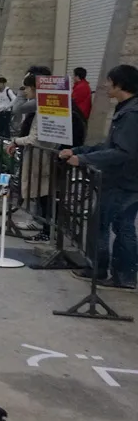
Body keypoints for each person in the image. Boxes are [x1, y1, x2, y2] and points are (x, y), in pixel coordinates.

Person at [60, 64, 138, 291]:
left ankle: (116, 273)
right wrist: (80, 151)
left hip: (124, 182)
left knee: (114, 226)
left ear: (120, 84)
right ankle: (112, 272)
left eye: (108, 81)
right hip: (122, 180)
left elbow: (123, 152)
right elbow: (109, 146)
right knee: (116, 225)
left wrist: (83, 160)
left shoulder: (132, 114)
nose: (104, 85)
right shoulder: (126, 109)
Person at [5, 74, 54, 244]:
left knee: (43, 193)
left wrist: (16, 141)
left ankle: (47, 231)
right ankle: (40, 223)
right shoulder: (42, 105)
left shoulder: (45, 107)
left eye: (25, 88)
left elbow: (35, 138)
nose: (24, 92)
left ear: (34, 87)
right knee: (39, 193)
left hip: (42, 156)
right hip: (39, 155)